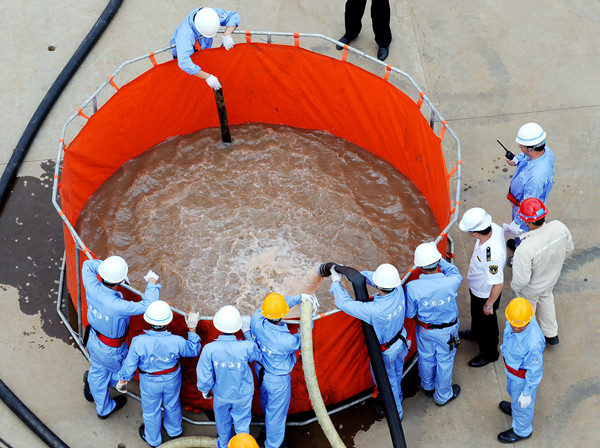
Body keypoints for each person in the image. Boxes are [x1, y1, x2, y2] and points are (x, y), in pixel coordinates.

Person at [82, 256, 159, 419]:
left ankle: (99, 400)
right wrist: (152, 282)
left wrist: (106, 267)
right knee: (123, 373)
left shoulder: (91, 286)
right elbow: (148, 305)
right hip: (111, 349)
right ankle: (98, 390)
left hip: (93, 339)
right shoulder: (119, 305)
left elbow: (88, 264)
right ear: (121, 280)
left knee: (98, 370)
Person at [329, 263, 408, 420]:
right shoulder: (398, 290)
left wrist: (336, 282)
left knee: (388, 382)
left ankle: (395, 412)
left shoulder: (374, 310)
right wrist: (353, 275)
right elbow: (375, 279)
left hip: (387, 351)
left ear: (379, 285)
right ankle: (398, 396)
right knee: (397, 372)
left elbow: (345, 303)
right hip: (401, 340)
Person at [116, 301, 201, 447]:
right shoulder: (177, 341)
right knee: (172, 404)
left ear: (148, 320)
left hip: (150, 382)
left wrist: (123, 380)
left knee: (151, 411)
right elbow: (193, 350)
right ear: (168, 322)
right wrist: (192, 328)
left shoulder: (139, 342)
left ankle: (153, 440)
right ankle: (175, 431)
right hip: (172, 379)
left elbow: (129, 364)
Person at [242, 293, 319, 448]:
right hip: (278, 380)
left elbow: (276, 307)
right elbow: (303, 337)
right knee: (276, 414)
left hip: (261, 372)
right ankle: (274, 444)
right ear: (282, 315)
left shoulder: (257, 320)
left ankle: (268, 427)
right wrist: (311, 316)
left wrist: (298, 297)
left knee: (267, 404)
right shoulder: (286, 341)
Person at [510, 198, 573, 345]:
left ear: (527, 222)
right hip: (551, 278)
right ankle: (551, 334)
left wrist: (515, 290)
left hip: (530, 288)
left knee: (526, 313)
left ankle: (528, 341)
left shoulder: (525, 248)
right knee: (546, 299)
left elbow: (521, 281)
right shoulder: (559, 227)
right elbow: (569, 249)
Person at [405, 242, 462, 406]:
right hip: (448, 332)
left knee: (426, 357)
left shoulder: (412, 287)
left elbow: (410, 314)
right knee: (445, 361)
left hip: (425, 331)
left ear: (419, 266)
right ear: (437, 262)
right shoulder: (451, 281)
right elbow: (453, 270)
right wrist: (438, 256)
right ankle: (443, 395)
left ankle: (428, 387)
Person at [197, 305, 262, 448]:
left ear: (218, 325)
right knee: (242, 425)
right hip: (243, 395)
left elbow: (204, 375)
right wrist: (247, 332)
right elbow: (257, 354)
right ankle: (242, 444)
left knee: (222, 425)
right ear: (237, 326)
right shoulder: (245, 347)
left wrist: (205, 390)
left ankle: (225, 444)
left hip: (221, 395)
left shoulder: (210, 349)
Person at [458, 207, 507, 368]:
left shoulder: (492, 256)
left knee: (488, 325)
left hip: (485, 294)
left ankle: (490, 353)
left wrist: (488, 304)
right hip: (477, 288)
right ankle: (475, 332)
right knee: (476, 316)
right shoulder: (493, 228)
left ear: (475, 233)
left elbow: (498, 283)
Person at [498, 297, 545, 443]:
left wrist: (527, 393)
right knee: (513, 395)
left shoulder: (533, 343)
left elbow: (535, 371)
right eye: (513, 325)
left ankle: (522, 430)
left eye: (520, 326)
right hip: (512, 373)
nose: (516, 328)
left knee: (523, 406)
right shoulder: (517, 319)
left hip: (522, 379)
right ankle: (515, 408)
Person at [503, 122, 555, 250]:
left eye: (521, 146)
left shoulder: (536, 178)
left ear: (530, 148)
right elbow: (526, 157)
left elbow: (529, 205)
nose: (520, 148)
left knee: (524, 237)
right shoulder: (545, 151)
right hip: (520, 204)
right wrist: (517, 160)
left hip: (525, 212)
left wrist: (517, 223)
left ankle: (520, 253)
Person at [170, 7, 241, 90]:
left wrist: (227, 34)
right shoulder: (185, 36)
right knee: (187, 83)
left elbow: (233, 16)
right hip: (186, 56)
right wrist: (208, 77)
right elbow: (184, 62)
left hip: (202, 50)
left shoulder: (210, 15)